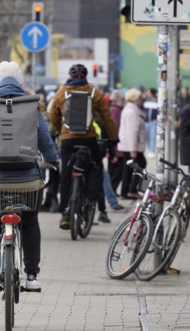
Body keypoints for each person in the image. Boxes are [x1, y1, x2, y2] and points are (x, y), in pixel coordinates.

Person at [0, 61, 58, 291]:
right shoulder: (32, 107)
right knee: (30, 223)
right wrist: (51, 159)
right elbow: (46, 143)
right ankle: (32, 276)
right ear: (21, 83)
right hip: (27, 182)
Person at [49, 64, 119, 230]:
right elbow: (106, 118)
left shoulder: (61, 92)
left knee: (66, 173)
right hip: (88, 139)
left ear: (69, 75)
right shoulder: (94, 93)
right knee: (95, 168)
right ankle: (89, 199)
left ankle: (65, 211)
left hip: (67, 140)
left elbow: (53, 115)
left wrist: (62, 132)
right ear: (86, 76)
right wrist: (114, 138)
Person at [118, 88, 148, 199]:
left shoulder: (131, 109)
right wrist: (133, 149)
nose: (141, 99)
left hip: (128, 146)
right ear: (135, 99)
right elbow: (132, 131)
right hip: (131, 146)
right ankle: (132, 189)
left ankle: (126, 191)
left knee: (129, 168)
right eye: (140, 98)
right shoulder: (132, 111)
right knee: (140, 165)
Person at [108, 89, 125, 194]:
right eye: (122, 99)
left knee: (114, 170)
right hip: (116, 146)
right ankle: (111, 190)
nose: (123, 101)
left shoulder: (114, 109)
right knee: (117, 170)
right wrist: (113, 150)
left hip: (114, 145)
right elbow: (115, 128)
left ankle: (111, 190)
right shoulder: (116, 110)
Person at [143, 88, 158, 156]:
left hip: (153, 122)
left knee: (152, 136)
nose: (147, 94)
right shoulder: (145, 101)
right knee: (147, 136)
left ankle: (152, 150)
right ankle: (149, 149)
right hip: (146, 122)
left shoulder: (157, 101)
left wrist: (157, 118)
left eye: (148, 92)